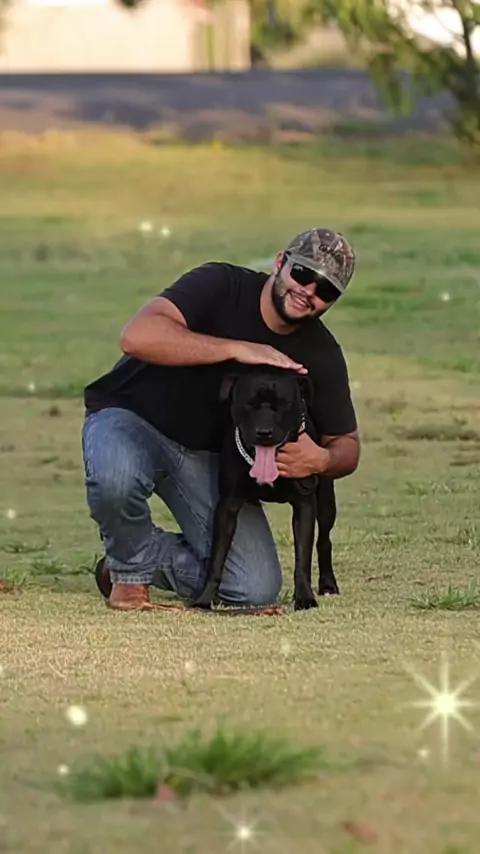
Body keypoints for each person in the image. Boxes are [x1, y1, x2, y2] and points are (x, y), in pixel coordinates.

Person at [82, 227, 360, 612]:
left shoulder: (321, 353)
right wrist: (237, 349)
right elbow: (137, 336)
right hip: (132, 419)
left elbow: (348, 445)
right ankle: (129, 571)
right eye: (302, 274)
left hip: (205, 458)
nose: (308, 291)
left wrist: (322, 459)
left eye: (325, 290)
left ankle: (136, 555)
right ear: (280, 263)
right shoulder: (221, 285)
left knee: (254, 589)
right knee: (116, 476)